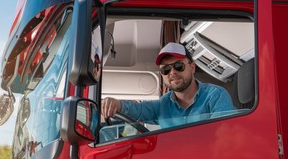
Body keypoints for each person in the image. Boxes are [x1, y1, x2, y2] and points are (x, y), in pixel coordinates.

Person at [101, 42, 236, 129]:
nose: (172, 72)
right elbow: (139, 109)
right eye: (166, 69)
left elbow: (224, 138)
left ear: (192, 67)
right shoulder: (162, 105)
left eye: (178, 66)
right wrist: (116, 104)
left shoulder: (215, 96)